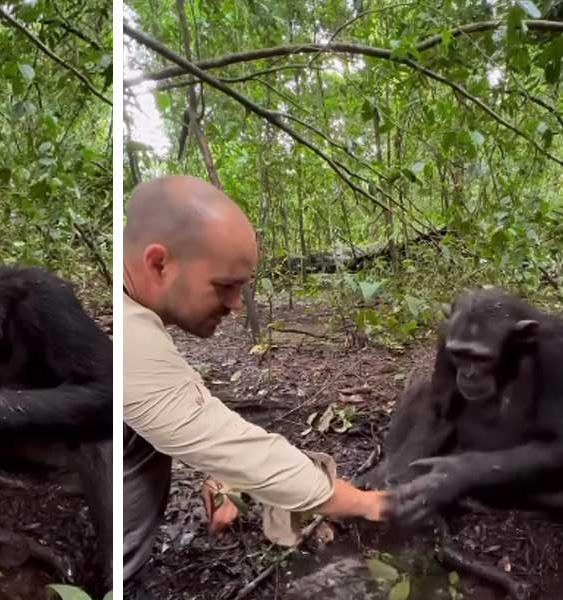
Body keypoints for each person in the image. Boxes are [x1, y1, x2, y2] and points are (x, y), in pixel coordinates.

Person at [122, 175, 389, 598]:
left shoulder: (129, 313)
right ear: (159, 263)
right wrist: (367, 503)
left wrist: (217, 472)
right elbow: (236, 444)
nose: (234, 305)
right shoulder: (126, 341)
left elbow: (177, 403)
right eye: (224, 287)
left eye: (240, 288)